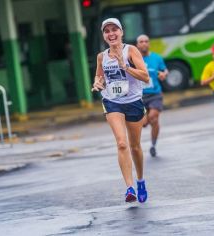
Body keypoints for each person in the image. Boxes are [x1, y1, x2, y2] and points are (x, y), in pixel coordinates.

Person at [92, 18, 149, 203]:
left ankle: (140, 180)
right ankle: (129, 188)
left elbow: (145, 77)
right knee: (122, 144)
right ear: (104, 35)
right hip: (112, 101)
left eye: (114, 29)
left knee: (135, 146)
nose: (111, 33)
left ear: (121, 32)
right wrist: (97, 83)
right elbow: (99, 78)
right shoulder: (102, 56)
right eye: (107, 31)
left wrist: (125, 66)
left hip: (133, 101)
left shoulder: (130, 50)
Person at [136, 34, 168, 157]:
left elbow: (164, 70)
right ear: (137, 45)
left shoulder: (157, 58)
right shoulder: (133, 59)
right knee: (144, 123)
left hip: (155, 94)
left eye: (146, 41)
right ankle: (145, 121)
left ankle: (153, 145)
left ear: (149, 43)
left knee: (153, 117)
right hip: (139, 96)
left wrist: (164, 74)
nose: (144, 43)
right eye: (141, 41)